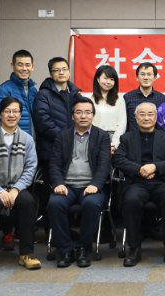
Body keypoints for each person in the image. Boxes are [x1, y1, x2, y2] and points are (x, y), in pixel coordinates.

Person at [0, 96, 41, 273]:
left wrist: (16, 189)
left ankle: (26, 253)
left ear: (20, 114)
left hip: (17, 188)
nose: (12, 115)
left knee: (28, 202)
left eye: (16, 111)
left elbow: (31, 167)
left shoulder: (27, 139)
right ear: (0, 114)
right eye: (7, 111)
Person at [113, 102, 165, 268]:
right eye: (142, 114)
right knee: (130, 200)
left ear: (156, 117)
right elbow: (118, 159)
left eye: (150, 114)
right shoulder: (127, 138)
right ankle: (134, 249)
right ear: (136, 118)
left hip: (161, 182)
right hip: (136, 183)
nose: (146, 118)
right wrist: (140, 170)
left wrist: (154, 167)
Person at [47, 97, 111, 268]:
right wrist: (58, 183)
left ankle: (84, 248)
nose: (83, 116)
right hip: (66, 186)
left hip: (91, 186)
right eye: (79, 112)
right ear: (72, 116)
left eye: (88, 112)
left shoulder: (102, 136)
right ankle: (65, 249)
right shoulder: (63, 135)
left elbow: (104, 165)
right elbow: (54, 164)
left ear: (93, 115)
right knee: (54, 203)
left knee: (92, 204)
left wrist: (95, 185)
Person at [34, 57, 80, 170]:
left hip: (74, 151)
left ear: (69, 72)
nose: (61, 72)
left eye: (64, 69)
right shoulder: (43, 95)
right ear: (51, 74)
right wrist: (65, 138)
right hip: (51, 151)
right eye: (57, 70)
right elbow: (44, 123)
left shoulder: (76, 94)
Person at [0, 49, 38, 136]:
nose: (24, 68)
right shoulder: (3, 90)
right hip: (14, 140)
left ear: (32, 67)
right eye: (20, 65)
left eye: (27, 65)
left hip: (32, 141)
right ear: (13, 66)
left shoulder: (33, 90)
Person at [90, 65, 127, 152]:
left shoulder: (120, 99)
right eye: (105, 78)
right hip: (94, 137)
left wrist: (114, 144)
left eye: (112, 79)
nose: (108, 82)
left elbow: (122, 123)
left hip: (114, 137)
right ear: (98, 79)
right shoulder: (89, 99)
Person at [124, 62, 165, 133]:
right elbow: (124, 123)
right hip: (133, 138)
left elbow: (162, 124)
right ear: (137, 77)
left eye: (149, 74)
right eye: (142, 74)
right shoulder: (127, 97)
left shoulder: (162, 98)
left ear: (155, 77)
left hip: (155, 138)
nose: (146, 78)